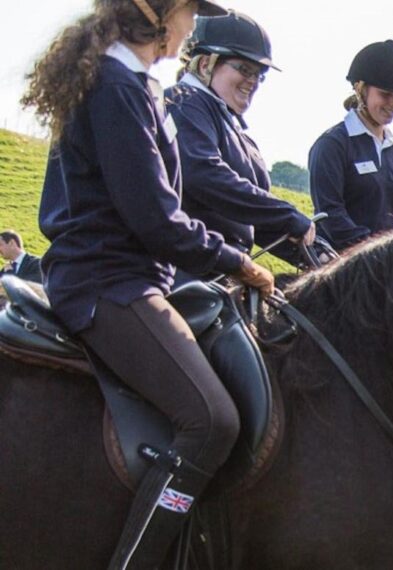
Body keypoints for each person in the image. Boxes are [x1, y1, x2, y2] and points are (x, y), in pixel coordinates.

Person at [21, 1, 275, 567]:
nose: (191, 27)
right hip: (108, 282)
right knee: (212, 421)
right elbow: (156, 218)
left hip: (127, 277)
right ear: (159, 14)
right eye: (188, 13)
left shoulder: (133, 83)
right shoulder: (117, 86)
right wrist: (236, 261)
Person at [166, 10, 315, 275]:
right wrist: (285, 213)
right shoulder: (184, 103)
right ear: (206, 64)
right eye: (245, 69)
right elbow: (203, 174)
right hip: (187, 266)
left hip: (230, 266)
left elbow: (256, 221)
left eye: (259, 74)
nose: (253, 81)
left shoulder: (234, 127)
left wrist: (315, 254)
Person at [308, 39, 393, 251]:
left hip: (385, 262)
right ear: (360, 89)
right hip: (338, 262)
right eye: (386, 94)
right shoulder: (332, 146)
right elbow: (330, 215)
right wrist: (382, 253)